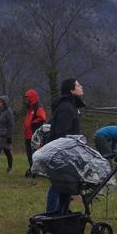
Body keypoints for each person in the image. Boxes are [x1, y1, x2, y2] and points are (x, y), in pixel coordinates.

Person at [46, 78, 85, 214]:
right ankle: (52, 214)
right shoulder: (67, 108)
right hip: (62, 153)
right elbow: (62, 133)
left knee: (66, 184)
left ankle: (62, 212)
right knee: (58, 184)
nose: (81, 87)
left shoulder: (71, 106)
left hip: (68, 152)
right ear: (71, 90)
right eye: (78, 85)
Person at [22, 89, 47, 177]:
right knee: (29, 154)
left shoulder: (37, 108)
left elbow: (42, 118)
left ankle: (37, 172)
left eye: (27, 99)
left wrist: (33, 123)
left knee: (35, 154)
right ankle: (33, 169)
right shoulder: (30, 109)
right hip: (28, 136)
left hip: (34, 136)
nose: (26, 101)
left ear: (32, 98)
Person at [0, 95, 14, 173]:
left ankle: (10, 168)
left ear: (4, 103)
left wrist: (9, 136)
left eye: (0, 102)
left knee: (7, 152)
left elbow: (11, 125)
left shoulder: (8, 112)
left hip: (4, 136)